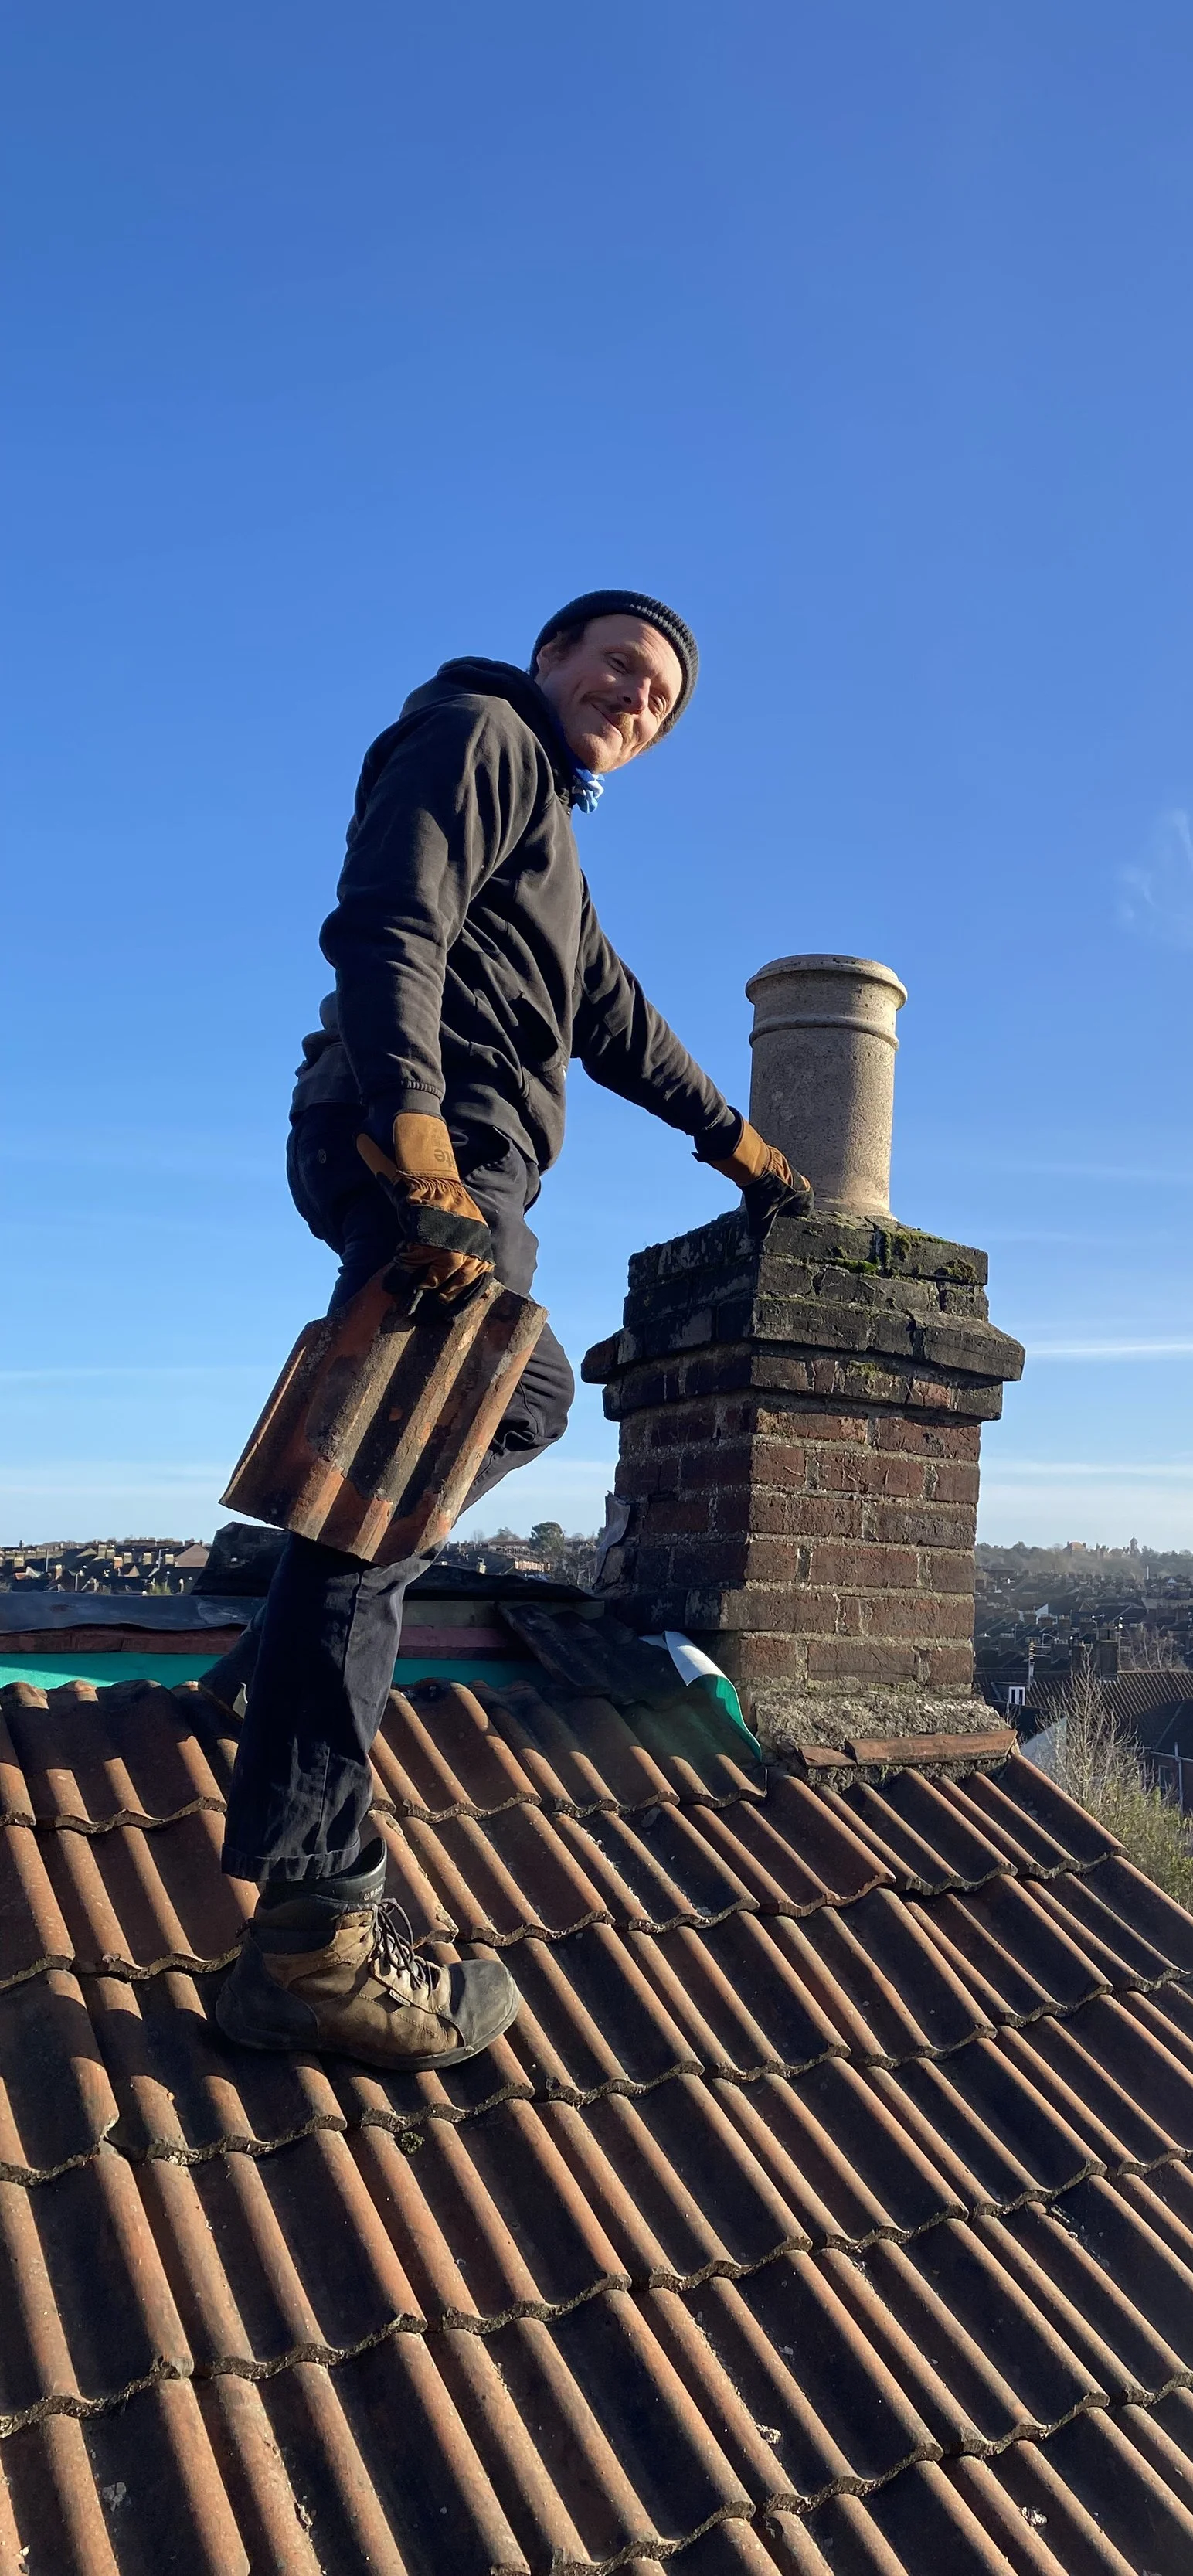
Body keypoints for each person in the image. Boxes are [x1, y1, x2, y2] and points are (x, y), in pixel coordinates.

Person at [208, 588, 804, 2074]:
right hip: (431, 1160)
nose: (636, 695)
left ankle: (285, 1653)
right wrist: (416, 1145)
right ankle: (314, 1937)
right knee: (384, 1511)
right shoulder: (476, 732)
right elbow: (388, 922)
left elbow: (609, 1012)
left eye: (661, 694)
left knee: (508, 1408)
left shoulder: (549, 831)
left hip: (455, 1164)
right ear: (551, 659)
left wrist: (729, 1137)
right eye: (619, 664)